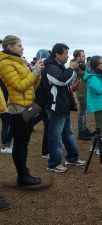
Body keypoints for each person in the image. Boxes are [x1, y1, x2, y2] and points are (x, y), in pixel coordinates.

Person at [0, 35, 44, 186]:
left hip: (26, 106)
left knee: (24, 142)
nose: (22, 48)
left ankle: (24, 173)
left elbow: (32, 86)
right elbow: (19, 86)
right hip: (17, 108)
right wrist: (34, 72)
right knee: (20, 143)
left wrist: (38, 72)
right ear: (10, 47)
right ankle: (22, 176)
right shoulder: (5, 63)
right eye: (19, 45)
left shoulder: (21, 61)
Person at [42, 43, 85, 173]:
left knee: (68, 134)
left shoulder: (58, 66)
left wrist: (72, 81)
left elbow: (66, 83)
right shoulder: (50, 67)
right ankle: (53, 164)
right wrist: (71, 68)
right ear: (57, 54)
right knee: (55, 136)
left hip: (63, 105)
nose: (67, 56)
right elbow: (60, 80)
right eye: (65, 53)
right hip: (56, 106)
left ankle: (72, 158)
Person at [84, 55, 102, 155]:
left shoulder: (95, 76)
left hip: (100, 104)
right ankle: (100, 149)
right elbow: (100, 90)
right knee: (101, 127)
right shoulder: (93, 77)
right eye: (100, 63)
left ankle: (94, 146)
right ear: (96, 65)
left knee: (100, 127)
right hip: (99, 105)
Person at [34, 49, 51, 158]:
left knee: (43, 121)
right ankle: (46, 151)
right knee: (48, 126)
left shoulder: (38, 68)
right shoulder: (43, 68)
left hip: (40, 101)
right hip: (44, 101)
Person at [72, 50, 91, 141]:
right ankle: (81, 132)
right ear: (78, 57)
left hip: (84, 91)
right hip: (81, 92)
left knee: (84, 113)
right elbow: (86, 75)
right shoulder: (77, 65)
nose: (85, 57)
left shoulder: (81, 65)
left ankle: (84, 129)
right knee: (82, 113)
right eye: (83, 56)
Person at [0, 79, 13, 153]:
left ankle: (7, 144)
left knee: (7, 125)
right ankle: (5, 146)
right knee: (7, 125)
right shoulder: (4, 80)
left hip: (4, 106)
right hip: (5, 106)